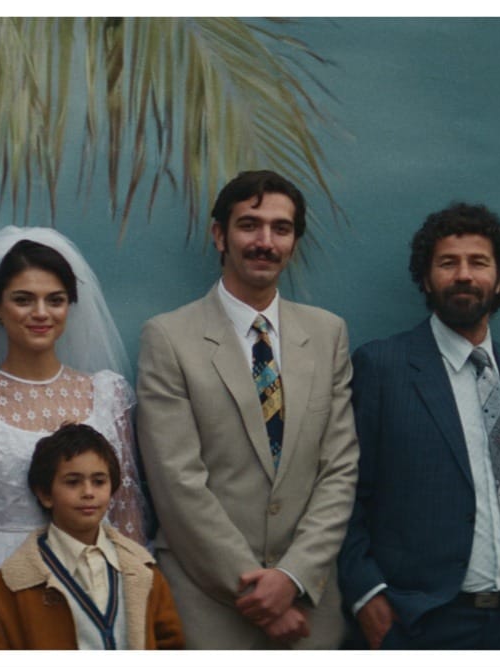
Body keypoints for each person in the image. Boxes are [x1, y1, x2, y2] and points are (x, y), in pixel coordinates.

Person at [136, 170, 358, 649]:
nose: (265, 241)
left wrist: (292, 578)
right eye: (249, 225)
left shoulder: (328, 334)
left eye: (281, 228)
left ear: (294, 241)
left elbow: (339, 471)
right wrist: (255, 591)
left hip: (309, 604)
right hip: (208, 604)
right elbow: (177, 483)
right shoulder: (169, 338)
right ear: (220, 234)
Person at [338, 202, 500, 649]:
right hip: (418, 621)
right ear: (425, 278)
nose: (464, 275)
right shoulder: (382, 366)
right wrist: (366, 592)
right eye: (447, 263)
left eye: (479, 262)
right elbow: (343, 489)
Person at [0, 226, 149, 647]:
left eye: (55, 300)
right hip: (4, 585)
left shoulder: (107, 396)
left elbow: (127, 517)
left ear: (71, 306)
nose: (41, 312)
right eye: (23, 299)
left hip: (98, 584)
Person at [0, 424, 184, 649]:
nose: (88, 492)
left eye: (99, 482)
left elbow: (170, 642)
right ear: (45, 494)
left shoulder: (142, 570)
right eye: (73, 482)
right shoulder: (13, 584)